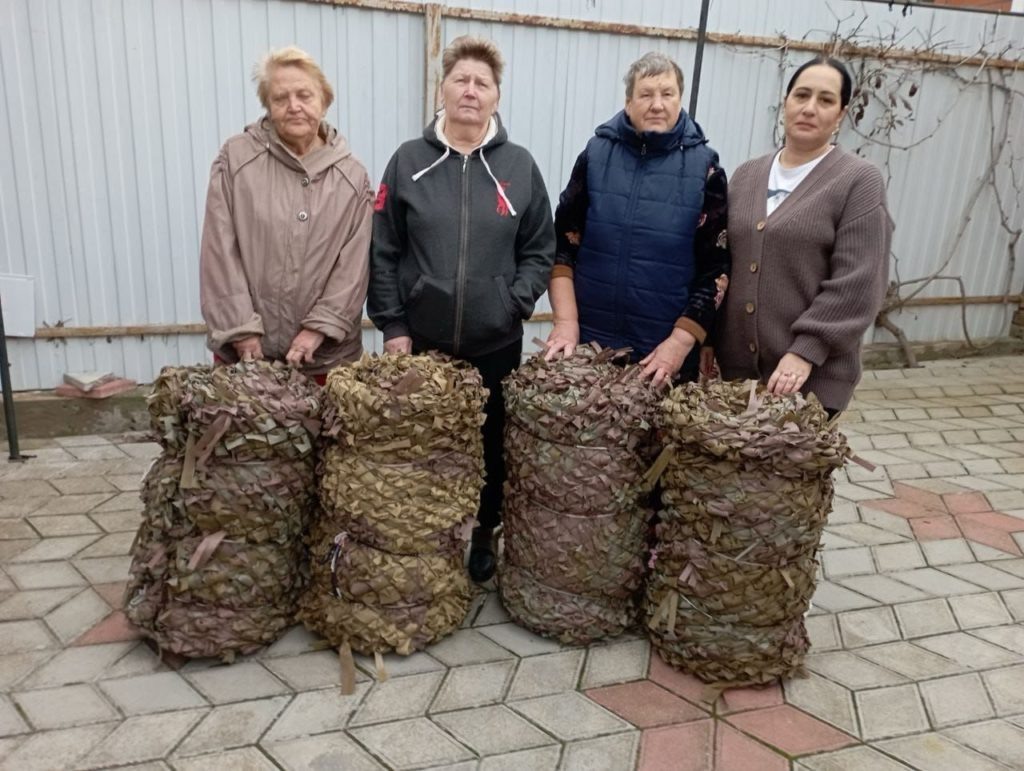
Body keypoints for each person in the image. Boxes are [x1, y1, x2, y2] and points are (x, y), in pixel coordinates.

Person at [368, 36, 556, 582]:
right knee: (423, 446)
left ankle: (481, 534)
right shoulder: (409, 160)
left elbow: (539, 247)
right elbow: (384, 248)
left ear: (497, 96)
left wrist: (513, 303)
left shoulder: (519, 166)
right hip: (421, 341)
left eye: (483, 83)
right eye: (461, 80)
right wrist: (394, 325)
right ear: (442, 89)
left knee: (490, 443)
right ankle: (426, 537)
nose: (470, 91)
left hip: (494, 340)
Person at [708, 56, 893, 415]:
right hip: (736, 379)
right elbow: (722, 265)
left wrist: (805, 350)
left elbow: (859, 282)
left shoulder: (858, 181)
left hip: (808, 381)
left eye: (825, 100)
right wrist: (709, 338)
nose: (810, 108)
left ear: (841, 113)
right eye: (802, 95)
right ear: (785, 102)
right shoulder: (747, 176)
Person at [543, 52, 730, 388]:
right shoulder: (595, 156)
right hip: (589, 349)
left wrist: (679, 344)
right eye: (646, 94)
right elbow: (563, 243)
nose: (656, 104)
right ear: (628, 102)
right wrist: (566, 320)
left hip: (661, 359)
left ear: (680, 100)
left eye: (667, 94)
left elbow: (715, 271)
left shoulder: (707, 171)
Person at [200, 46, 372, 384]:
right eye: (281, 98)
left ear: (324, 100)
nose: (294, 106)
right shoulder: (235, 159)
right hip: (247, 355)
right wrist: (241, 329)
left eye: (304, 95)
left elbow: (354, 267)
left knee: (326, 436)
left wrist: (318, 329)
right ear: (268, 106)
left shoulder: (353, 176)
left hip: (324, 359)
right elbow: (219, 249)